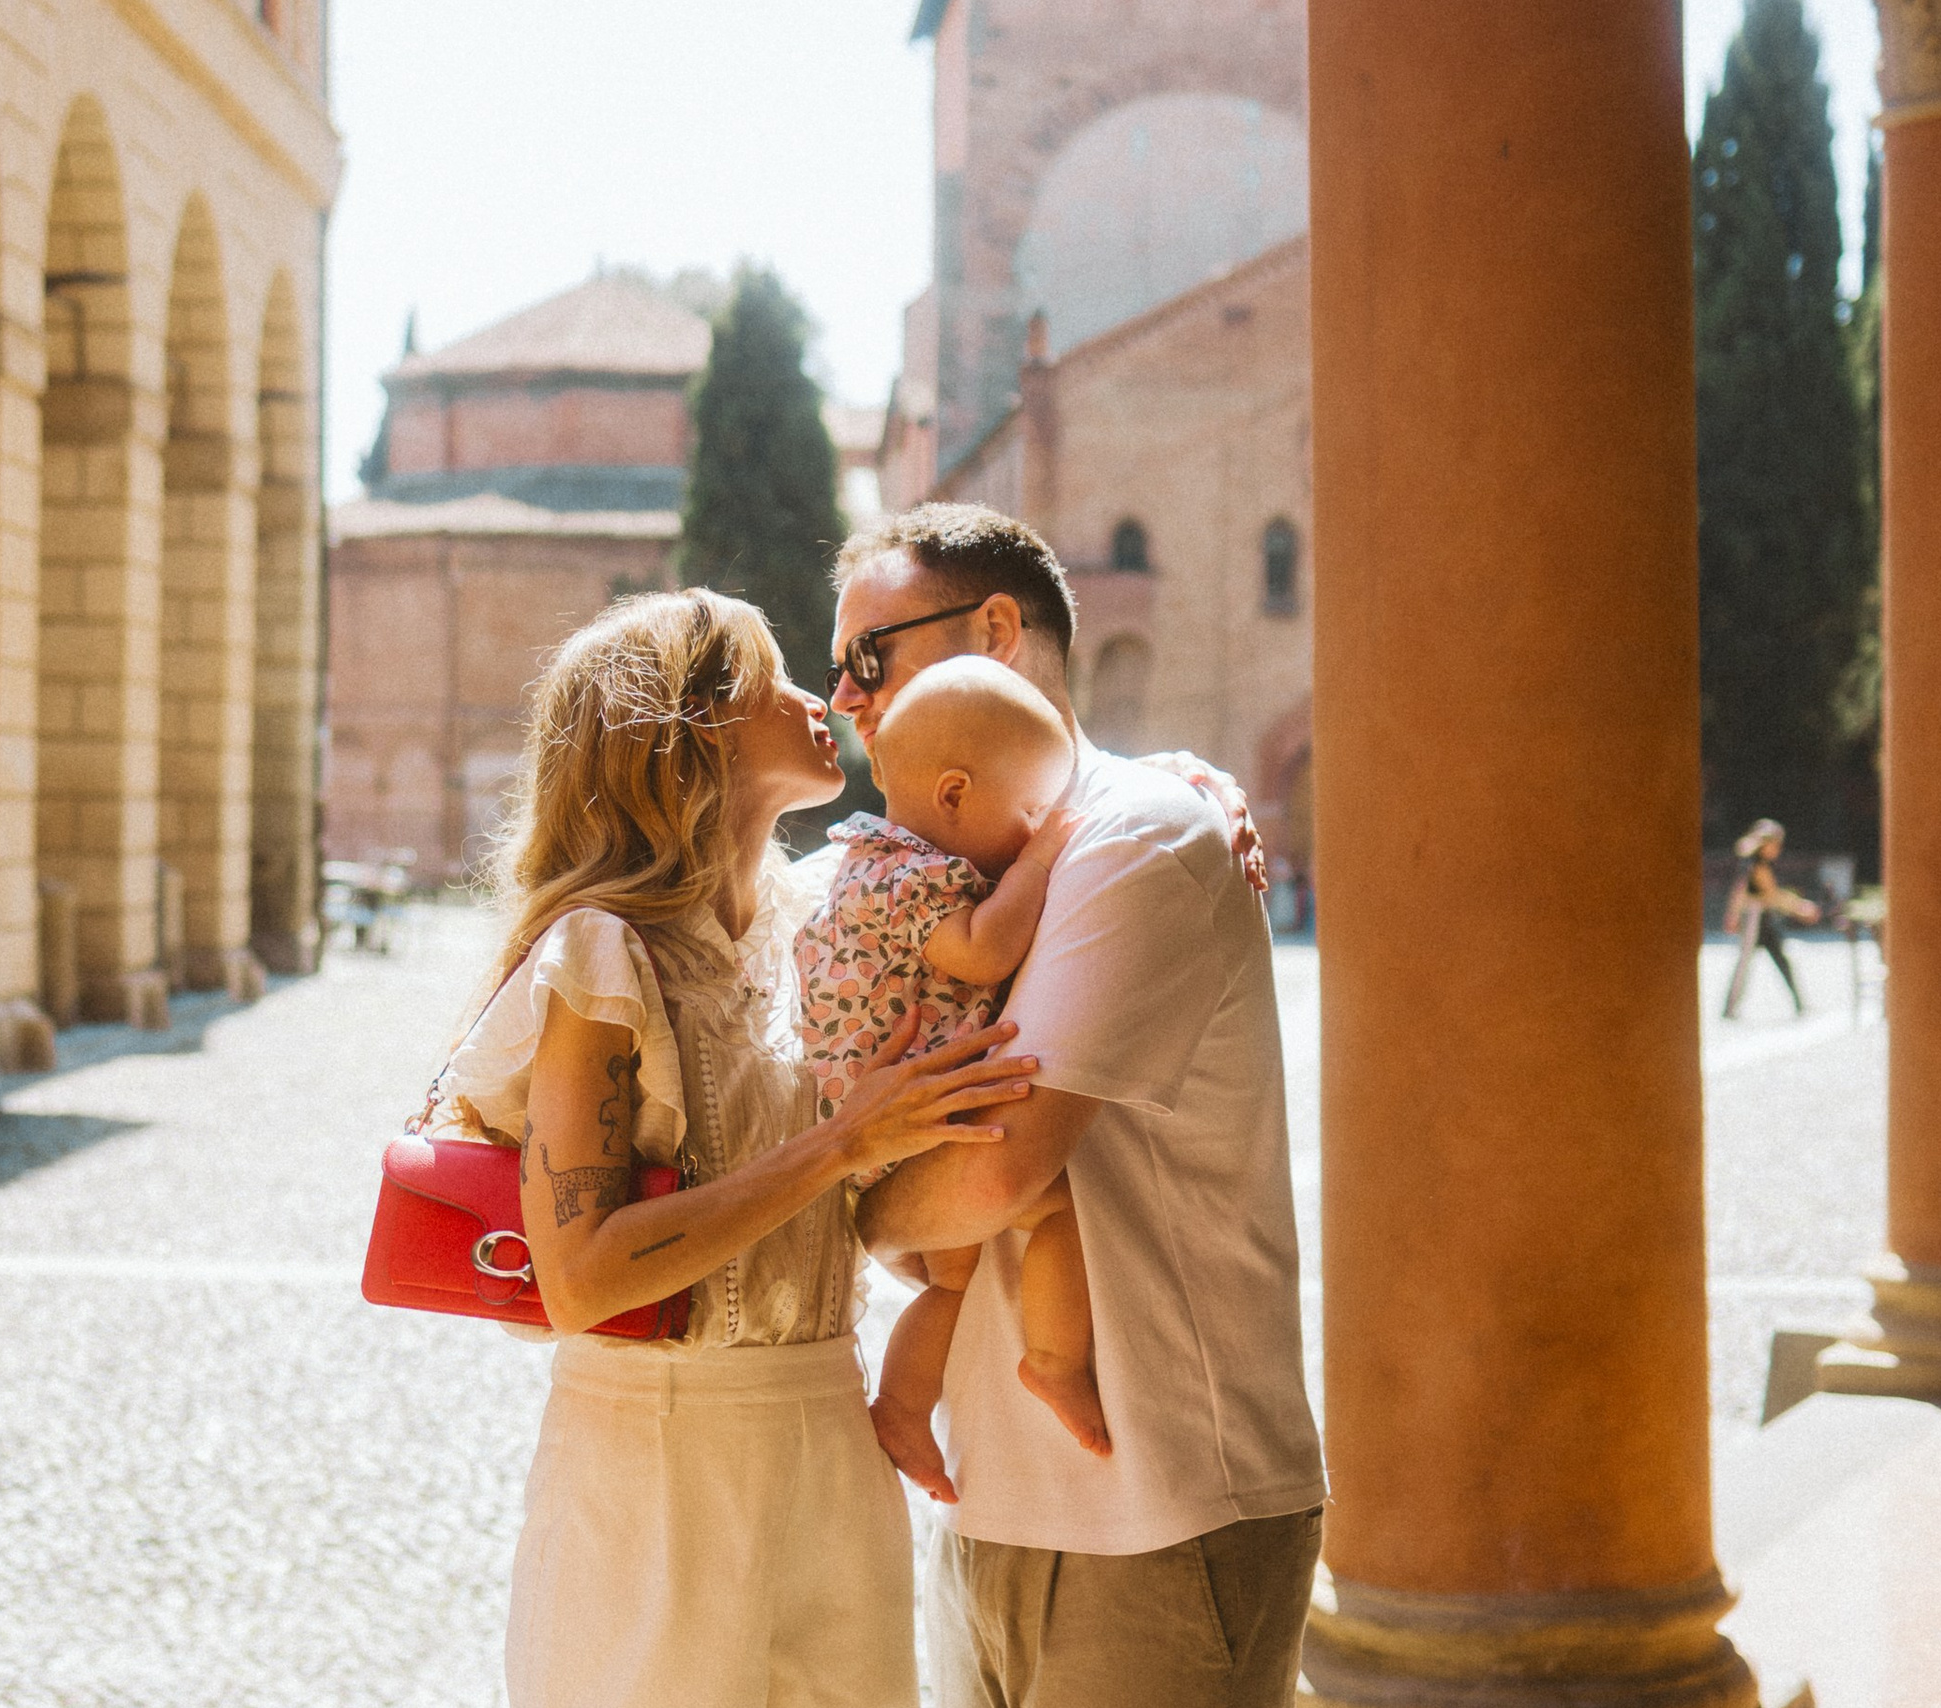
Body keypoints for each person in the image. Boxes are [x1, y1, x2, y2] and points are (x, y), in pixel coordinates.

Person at [425, 588, 1038, 1708]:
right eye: (768, 676)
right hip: (653, 1467)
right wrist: (847, 1142)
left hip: (832, 1432)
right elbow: (581, 1274)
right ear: (687, 726)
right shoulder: (601, 952)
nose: (815, 696)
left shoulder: (824, 922)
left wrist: (1181, 799)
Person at [838, 504, 1327, 1708]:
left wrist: (839, 1187)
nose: (844, 697)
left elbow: (997, 1174)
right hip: (994, 1505)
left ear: (995, 631)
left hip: (1156, 1504)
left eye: (868, 657)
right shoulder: (933, 870)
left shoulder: (1139, 834)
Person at [793, 657, 1104, 1509]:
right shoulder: (910, 875)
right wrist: (1046, 857)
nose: (1034, 826)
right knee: (1056, 1206)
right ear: (957, 795)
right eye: (1027, 810)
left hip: (885, 1121)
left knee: (953, 1279)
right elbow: (984, 950)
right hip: (909, 1117)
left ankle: (901, 1405)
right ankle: (1055, 1361)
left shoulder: (864, 861)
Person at [1723, 817, 1818, 1017]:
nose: (1778, 849)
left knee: (1779, 959)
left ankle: (1799, 1003)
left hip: (1763, 917)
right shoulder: (1755, 864)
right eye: (1776, 845)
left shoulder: (1758, 863)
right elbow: (1767, 894)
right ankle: (1729, 1008)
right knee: (1745, 962)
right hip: (1754, 917)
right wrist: (1799, 907)